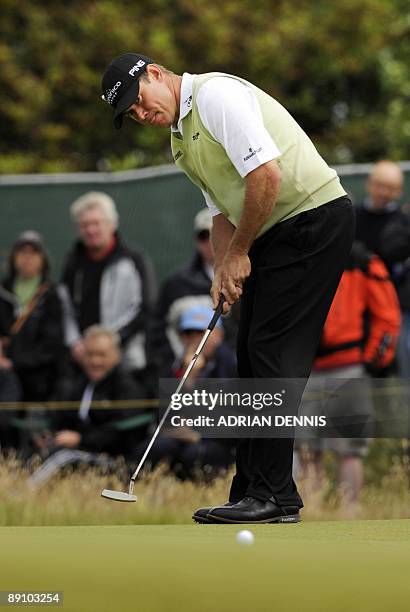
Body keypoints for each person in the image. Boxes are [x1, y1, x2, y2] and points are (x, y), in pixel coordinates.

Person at [101, 53, 355, 524]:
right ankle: (251, 490)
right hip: (273, 230)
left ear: (154, 74)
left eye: (138, 103)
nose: (141, 115)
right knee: (249, 354)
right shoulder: (181, 141)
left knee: (272, 353)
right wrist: (222, 268)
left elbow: (266, 176)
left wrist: (238, 254)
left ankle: (276, 497)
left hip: (312, 219)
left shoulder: (216, 96)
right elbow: (221, 212)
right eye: (131, 115)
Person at [297, 242, 401, 510]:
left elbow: (387, 317)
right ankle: (310, 513)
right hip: (307, 368)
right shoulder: (300, 256)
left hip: (348, 367)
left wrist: (373, 361)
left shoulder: (363, 262)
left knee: (349, 450)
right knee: (306, 448)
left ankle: (349, 512)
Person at [29, 326, 151, 486]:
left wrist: (81, 439)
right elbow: (65, 417)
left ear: (116, 355)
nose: (95, 361)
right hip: (80, 451)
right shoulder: (82, 383)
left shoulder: (129, 386)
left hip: (116, 459)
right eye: (90, 354)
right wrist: (50, 434)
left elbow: (124, 432)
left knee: (63, 458)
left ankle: (25, 492)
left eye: (101, 355)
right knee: (32, 454)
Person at [59, 191, 156, 384]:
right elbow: (65, 306)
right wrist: (76, 343)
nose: (91, 230)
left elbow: (146, 308)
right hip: (81, 362)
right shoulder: (72, 264)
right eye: (85, 225)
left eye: (96, 223)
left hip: (127, 361)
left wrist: (111, 342)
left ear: (112, 224)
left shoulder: (134, 260)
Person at [138, 304, 236, 479]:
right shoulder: (172, 368)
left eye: (203, 333)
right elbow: (161, 414)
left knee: (195, 454)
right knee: (152, 448)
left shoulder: (231, 368)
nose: (195, 339)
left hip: (216, 442)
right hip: (177, 437)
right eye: (188, 333)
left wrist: (198, 434)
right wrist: (188, 377)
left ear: (219, 335)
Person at [150, 207, 238, 370]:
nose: (211, 240)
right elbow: (157, 330)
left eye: (216, 233)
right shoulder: (175, 284)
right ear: (196, 240)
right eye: (204, 235)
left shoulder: (248, 277)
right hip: (187, 371)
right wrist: (176, 364)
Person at [355, 160, 410, 377]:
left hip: (396, 305)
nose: (384, 192)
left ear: (399, 191)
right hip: (359, 305)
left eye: (391, 188)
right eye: (380, 185)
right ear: (369, 184)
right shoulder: (352, 219)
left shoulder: (404, 223)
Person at [0, 231, 63, 401]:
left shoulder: (51, 295)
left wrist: (17, 362)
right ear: (14, 257)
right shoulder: (2, 291)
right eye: (22, 252)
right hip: (4, 376)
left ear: (43, 259)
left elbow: (52, 343)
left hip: (40, 379)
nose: (27, 258)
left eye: (34, 252)